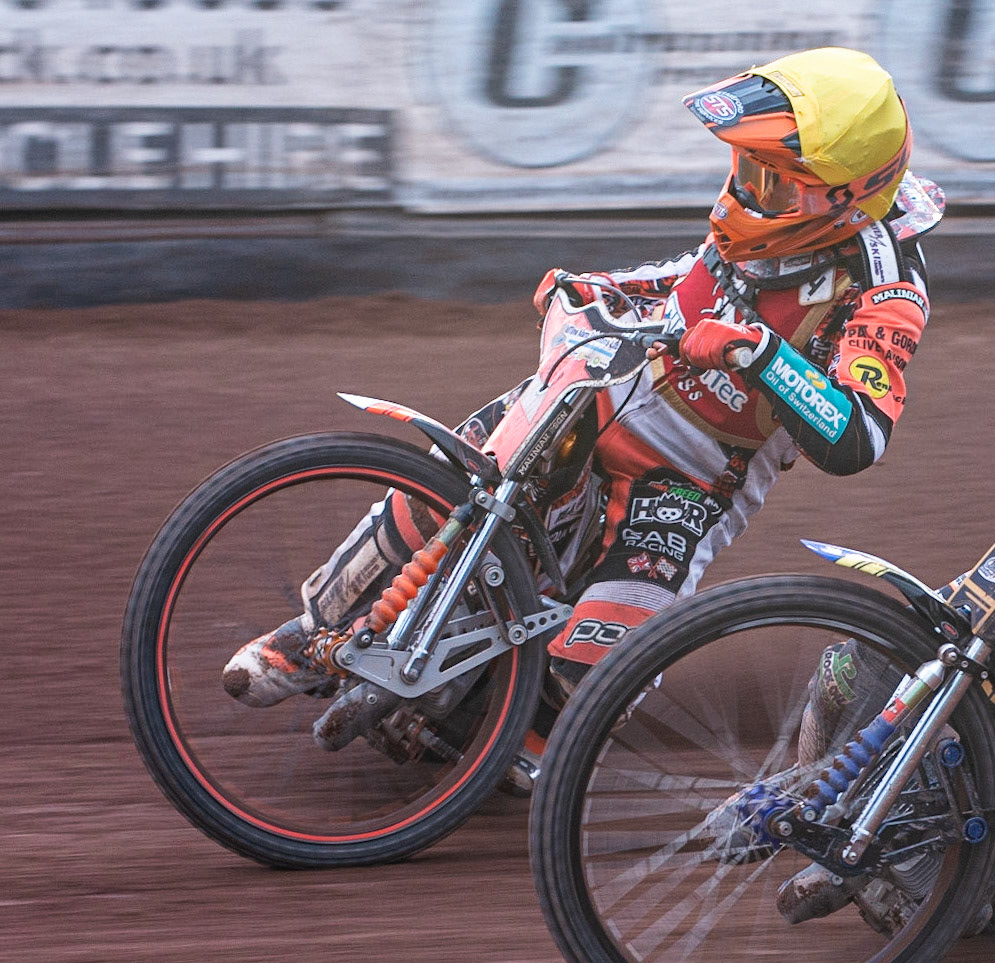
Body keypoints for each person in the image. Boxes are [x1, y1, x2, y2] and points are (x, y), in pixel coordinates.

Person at [221, 47, 943, 793]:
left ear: (846, 199)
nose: (747, 193)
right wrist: (602, 283)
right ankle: (310, 639)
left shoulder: (887, 288)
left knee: (603, 658)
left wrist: (760, 354)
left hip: (694, 475)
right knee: (453, 480)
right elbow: (689, 276)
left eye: (772, 184)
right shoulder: (769, 220)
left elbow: (859, 434)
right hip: (608, 389)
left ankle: (517, 729)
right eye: (747, 170)